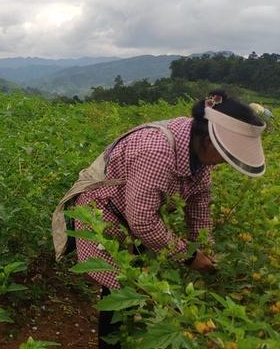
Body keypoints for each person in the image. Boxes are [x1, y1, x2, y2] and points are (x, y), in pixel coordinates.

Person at [51, 90, 267, 348]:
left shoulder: (198, 152)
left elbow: (199, 205)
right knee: (123, 289)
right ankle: (113, 342)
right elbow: (142, 220)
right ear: (209, 142)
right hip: (102, 212)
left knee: (139, 280)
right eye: (226, 154)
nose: (224, 162)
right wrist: (187, 255)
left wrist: (205, 248)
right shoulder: (156, 150)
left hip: (129, 214)